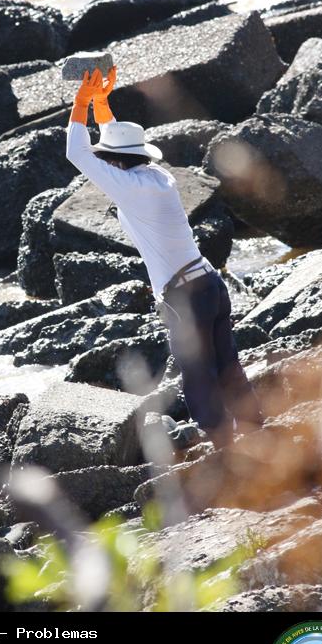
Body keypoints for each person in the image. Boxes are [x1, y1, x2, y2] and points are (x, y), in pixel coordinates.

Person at [65, 67, 263, 450]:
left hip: (186, 297)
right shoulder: (158, 177)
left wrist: (81, 102)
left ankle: (224, 448)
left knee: (198, 376)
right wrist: (101, 104)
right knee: (227, 366)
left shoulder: (130, 187)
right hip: (210, 283)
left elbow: (76, 151)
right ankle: (258, 432)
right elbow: (117, 141)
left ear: (115, 162)